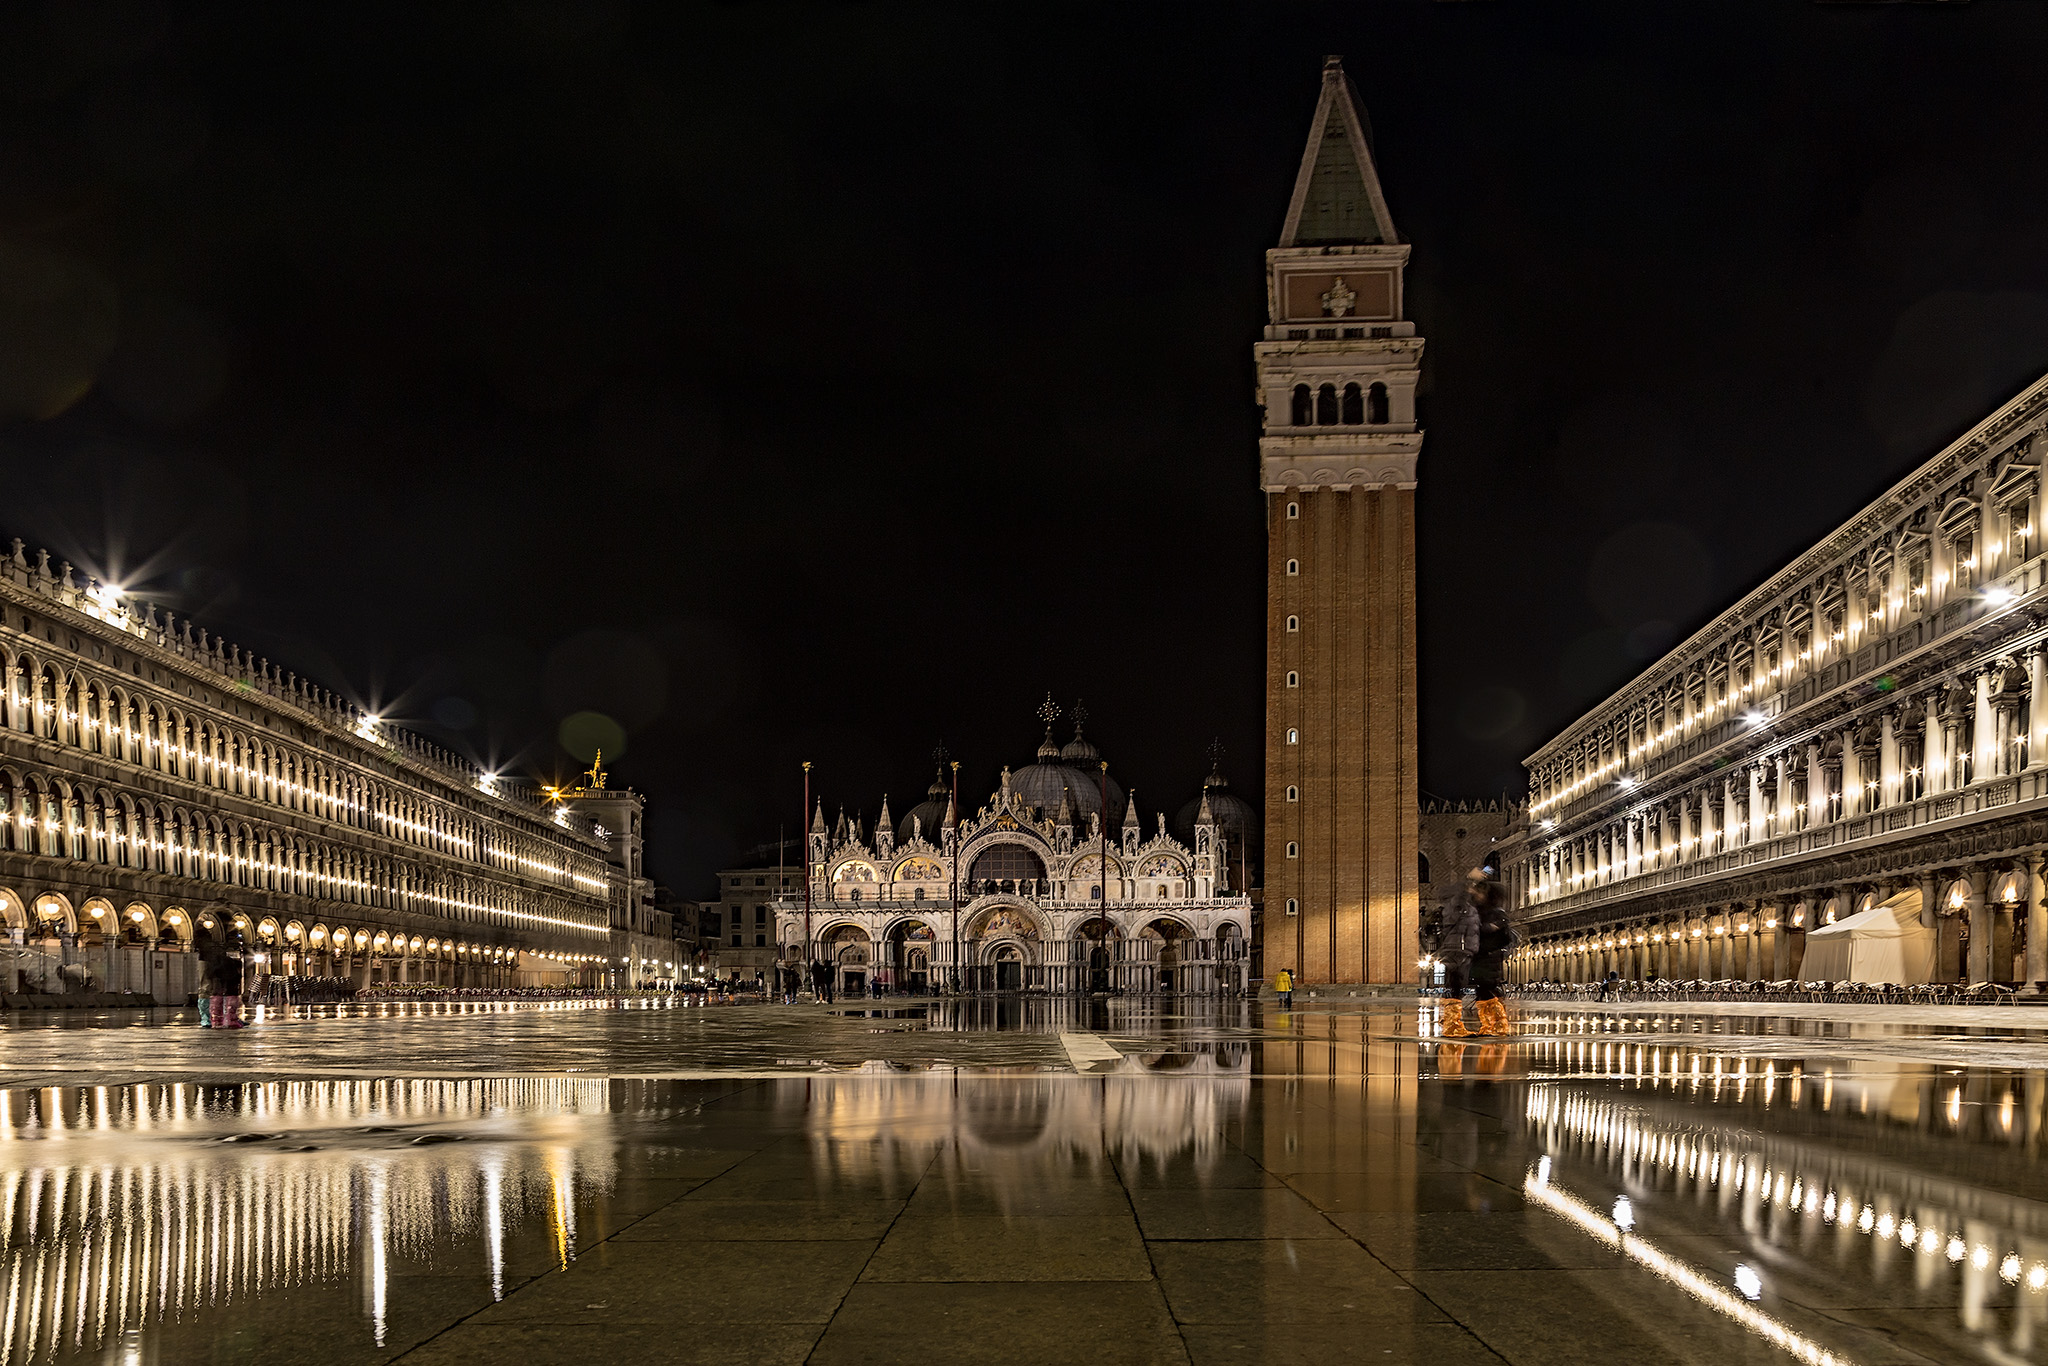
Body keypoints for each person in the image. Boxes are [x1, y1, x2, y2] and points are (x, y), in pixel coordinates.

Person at [1423, 872, 1483, 1037]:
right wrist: (1471, 879)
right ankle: (1451, 1025)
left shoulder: (1464, 908)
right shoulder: (1457, 905)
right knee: (1455, 986)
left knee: (1456, 986)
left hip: (1461, 949)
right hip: (1457, 949)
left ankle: (1451, 1022)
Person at [1470, 878, 1515, 1037]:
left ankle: (1499, 1026)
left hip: (1489, 959)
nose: (1478, 895)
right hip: (1479, 958)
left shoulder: (1496, 913)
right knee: (1482, 992)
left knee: (1488, 990)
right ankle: (1488, 1026)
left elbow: (1504, 937)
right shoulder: (1479, 911)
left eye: (1482, 892)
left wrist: (1487, 931)